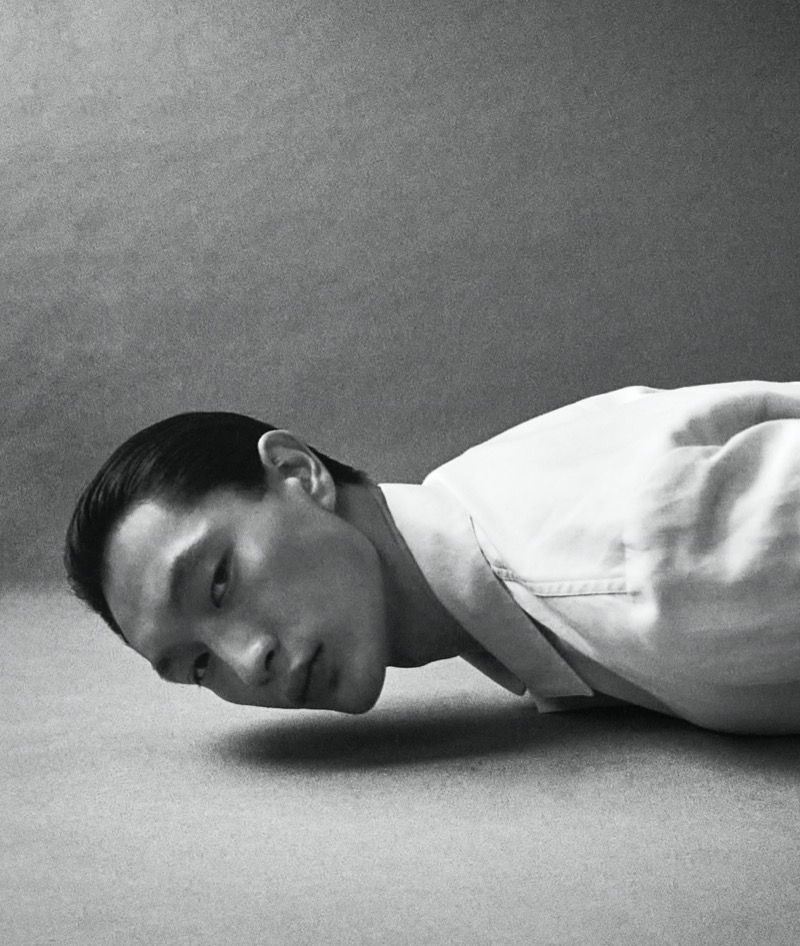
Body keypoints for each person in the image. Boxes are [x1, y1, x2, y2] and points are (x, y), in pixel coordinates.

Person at [64, 380, 800, 735]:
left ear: (297, 474)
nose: (247, 661)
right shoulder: (492, 494)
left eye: (220, 582)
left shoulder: (637, 570)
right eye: (198, 666)